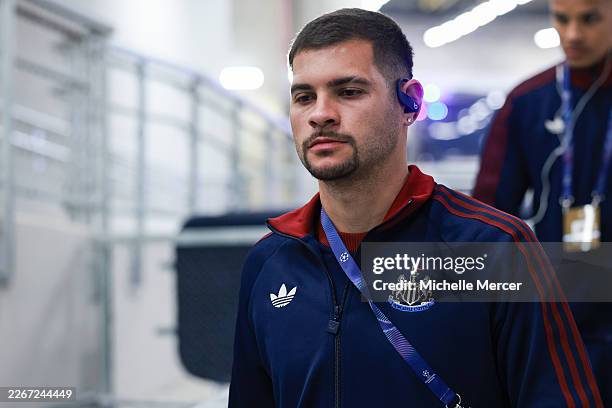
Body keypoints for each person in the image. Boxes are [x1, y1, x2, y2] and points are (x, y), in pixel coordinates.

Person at [229, 8, 603, 407]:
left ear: (410, 102)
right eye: (304, 97)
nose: (320, 114)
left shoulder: (493, 250)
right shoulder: (271, 262)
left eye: (349, 92)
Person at [473, 0, 612, 403]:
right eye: (561, 19)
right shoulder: (527, 102)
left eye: (589, 19)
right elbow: (488, 217)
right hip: (560, 309)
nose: (573, 34)